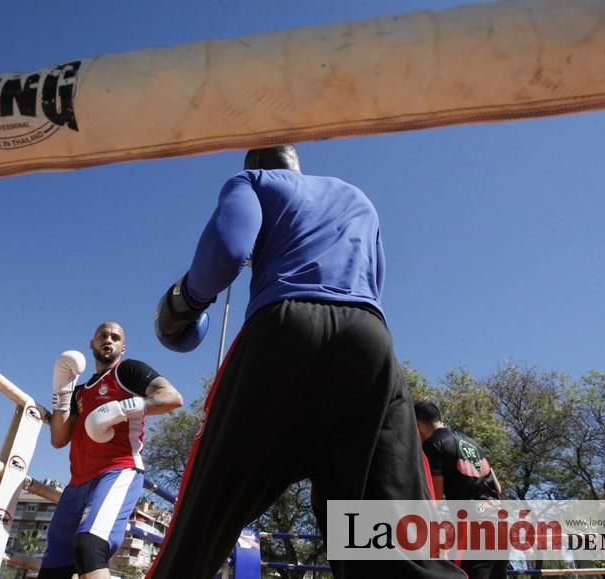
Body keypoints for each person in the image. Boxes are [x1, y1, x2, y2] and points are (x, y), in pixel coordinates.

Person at [148, 145, 464, 579]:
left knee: (206, 511)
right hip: (369, 340)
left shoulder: (254, 182)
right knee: (387, 536)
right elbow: (375, 281)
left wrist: (182, 304)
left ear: (254, 163)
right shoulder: (357, 197)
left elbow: (227, 246)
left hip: (284, 329)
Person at [39, 321, 183, 579]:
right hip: (77, 484)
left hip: (117, 471)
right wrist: (61, 393)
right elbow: (59, 439)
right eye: (103, 336)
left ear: (122, 347)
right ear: (92, 344)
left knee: (89, 547)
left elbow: (171, 397)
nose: (108, 339)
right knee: (54, 567)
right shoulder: (79, 392)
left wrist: (118, 409)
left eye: (115, 337)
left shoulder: (127, 371)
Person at [414, 400, 507, 579]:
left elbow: (435, 497)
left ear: (417, 425)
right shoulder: (473, 444)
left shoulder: (433, 445)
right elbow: (498, 487)